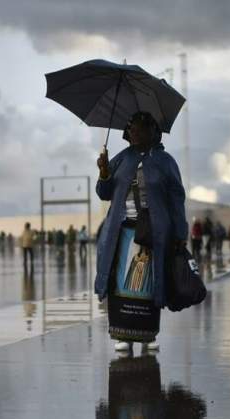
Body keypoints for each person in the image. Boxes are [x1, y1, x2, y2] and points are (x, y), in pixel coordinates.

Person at [95, 111, 187, 355]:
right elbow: (103, 192)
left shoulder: (166, 162)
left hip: (153, 234)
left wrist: (180, 232)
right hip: (122, 233)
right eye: (130, 128)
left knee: (148, 284)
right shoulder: (121, 159)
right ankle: (121, 333)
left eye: (137, 128)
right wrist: (104, 171)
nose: (132, 132)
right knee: (120, 283)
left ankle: (148, 334)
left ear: (151, 131)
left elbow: (177, 198)